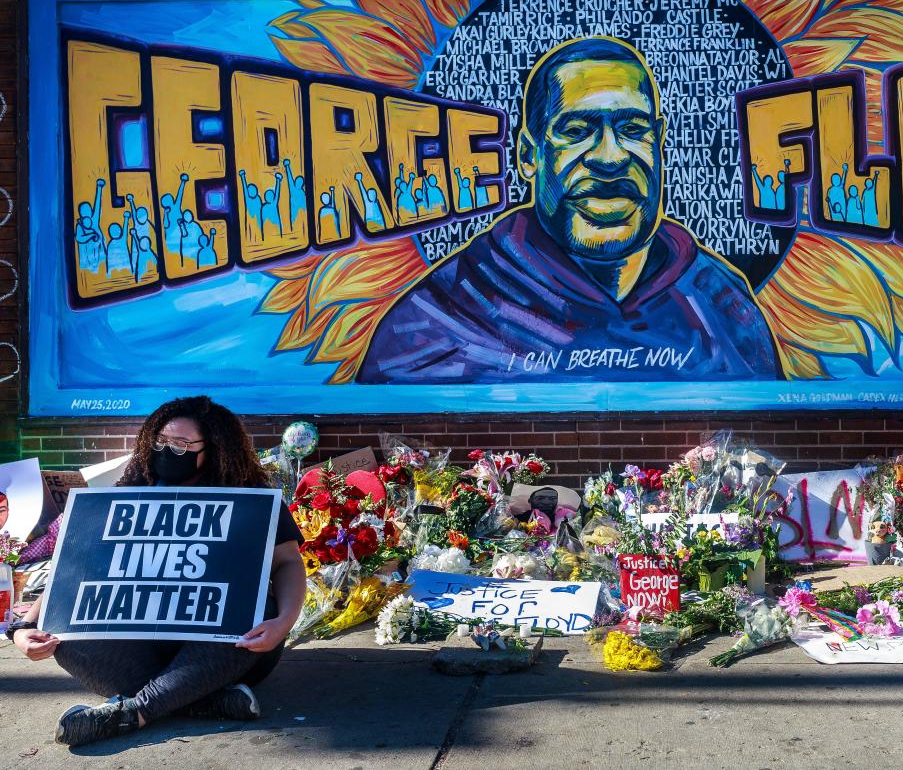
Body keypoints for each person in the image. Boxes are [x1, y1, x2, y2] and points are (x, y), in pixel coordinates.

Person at [358, 37, 779, 383]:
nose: (611, 158)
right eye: (577, 131)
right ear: (528, 154)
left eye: (633, 129)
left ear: (659, 141)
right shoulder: (441, 316)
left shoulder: (719, 302)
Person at [9, 396, 306, 747]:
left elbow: (288, 562)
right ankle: (197, 701)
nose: (168, 451)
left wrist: (283, 621)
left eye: (181, 444)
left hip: (221, 651)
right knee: (64, 630)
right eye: (161, 441)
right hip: (143, 647)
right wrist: (25, 627)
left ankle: (132, 712)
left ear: (214, 448)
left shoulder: (252, 495)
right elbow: (78, 572)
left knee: (258, 610)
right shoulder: (132, 493)